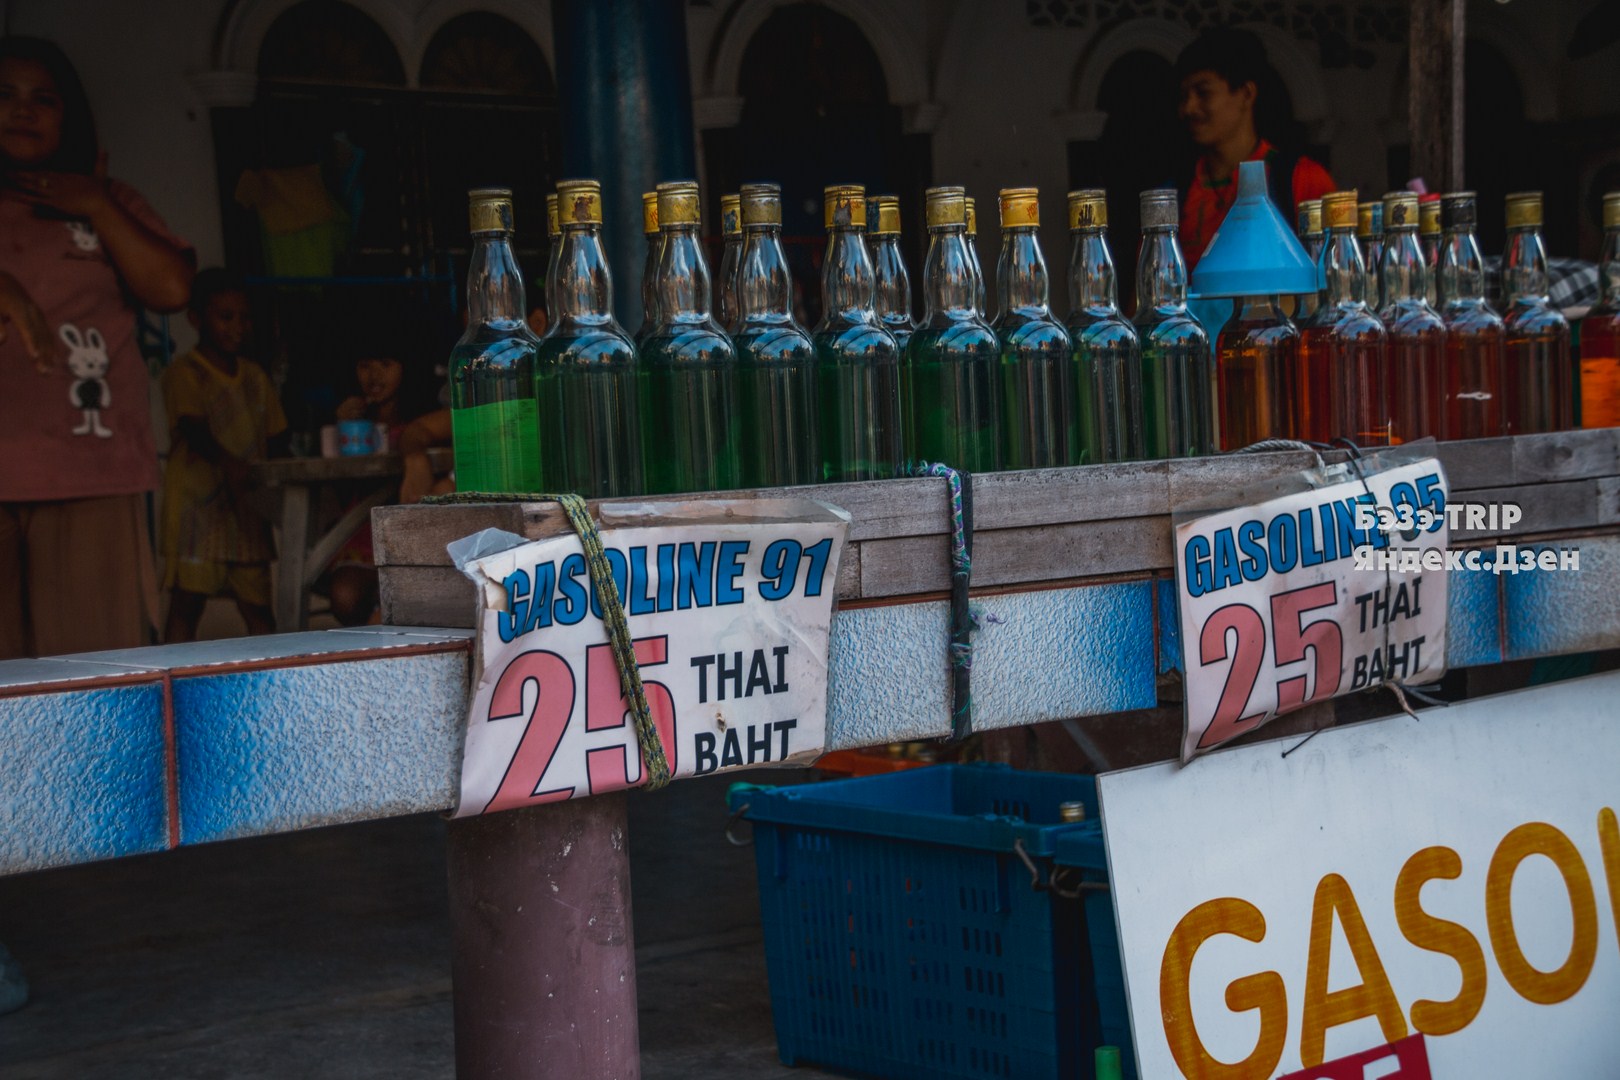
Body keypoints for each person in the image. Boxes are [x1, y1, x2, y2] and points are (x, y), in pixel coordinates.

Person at [0, 36, 194, 660]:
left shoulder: (110, 204)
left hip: (93, 471)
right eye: (4, 96)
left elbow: (170, 288)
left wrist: (93, 203)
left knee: (94, 681)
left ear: (71, 117)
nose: (22, 110)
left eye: (43, 99)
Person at [160, 269, 287, 643]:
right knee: (187, 604)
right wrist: (233, 466)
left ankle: (272, 679)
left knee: (258, 609)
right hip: (198, 512)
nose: (238, 327)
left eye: (244, 318)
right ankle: (171, 678)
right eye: (225, 317)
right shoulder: (186, 372)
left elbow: (277, 437)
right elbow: (194, 430)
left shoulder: (255, 376)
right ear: (197, 319)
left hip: (247, 511)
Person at [1175, 27, 1335, 269]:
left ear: (1246, 94)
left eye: (1203, 93)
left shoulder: (1301, 179)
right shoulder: (1178, 189)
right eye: (1183, 96)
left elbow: (1333, 277)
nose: (1188, 108)